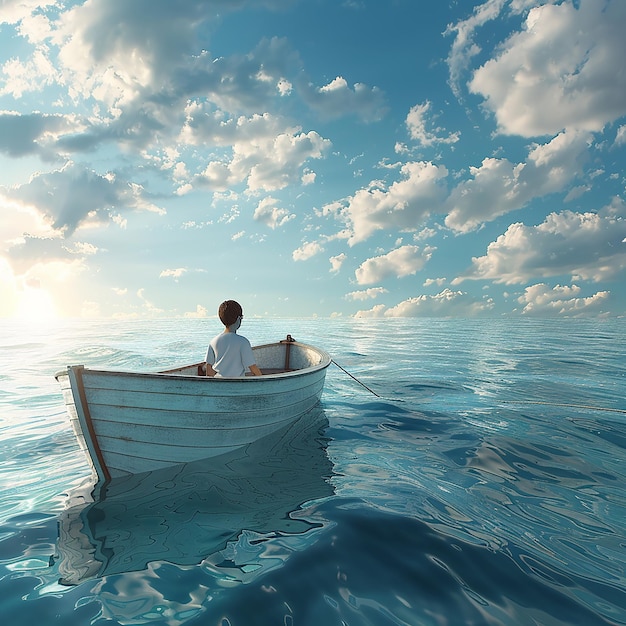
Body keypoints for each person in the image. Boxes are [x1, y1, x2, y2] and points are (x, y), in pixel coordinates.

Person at [204, 300, 262, 377]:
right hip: (237, 385)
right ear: (238, 319)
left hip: (218, 383)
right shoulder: (243, 342)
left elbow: (209, 369)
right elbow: (253, 368)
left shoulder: (213, 341)